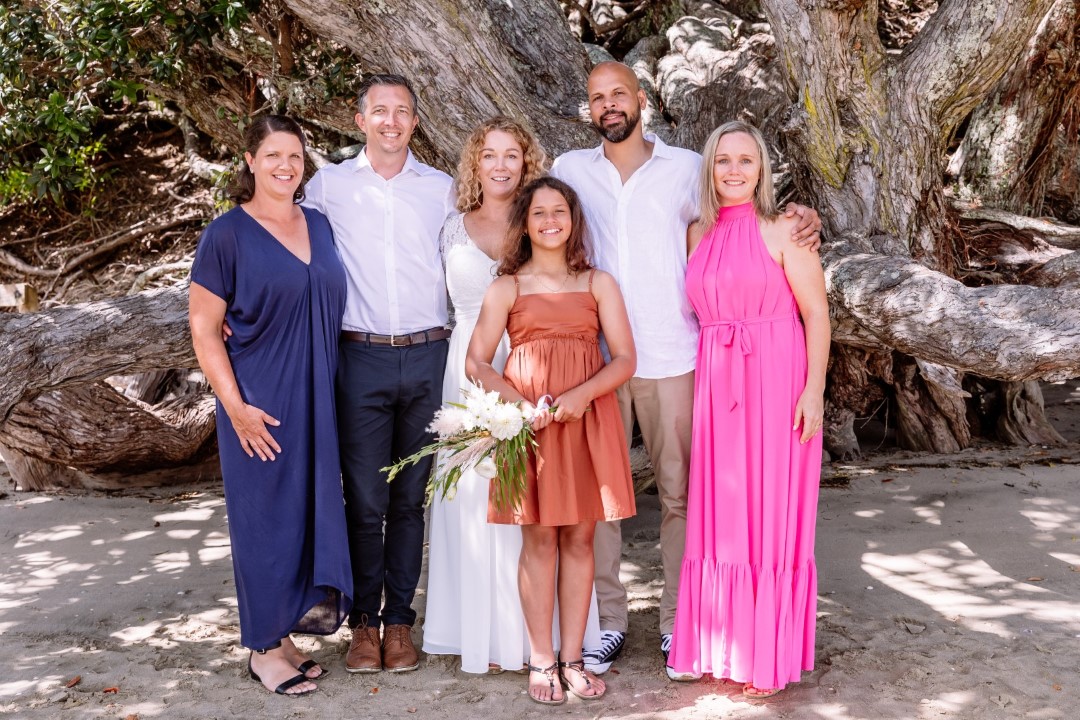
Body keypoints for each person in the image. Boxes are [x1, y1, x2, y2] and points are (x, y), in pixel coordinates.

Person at [551, 60, 822, 674]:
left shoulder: (685, 169)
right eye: (597, 97)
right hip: (597, 361)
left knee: (682, 497)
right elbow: (537, 224)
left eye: (619, 93)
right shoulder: (569, 171)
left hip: (675, 356)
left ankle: (681, 622)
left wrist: (804, 217)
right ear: (589, 108)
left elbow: (746, 210)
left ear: (641, 99)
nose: (609, 104)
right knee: (599, 501)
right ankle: (608, 622)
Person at [422, 118, 601, 673]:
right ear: (474, 164)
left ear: (527, 163)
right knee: (474, 499)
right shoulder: (450, 227)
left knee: (538, 501)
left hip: (537, 368)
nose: (500, 165)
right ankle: (484, 636)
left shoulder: (539, 223)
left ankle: (541, 641)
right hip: (471, 367)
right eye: (489, 155)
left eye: (512, 155)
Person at [188, 115, 352, 696]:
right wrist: (235, 408)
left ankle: (284, 638)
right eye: (274, 155)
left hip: (319, 399)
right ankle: (262, 649)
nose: (286, 166)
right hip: (260, 405)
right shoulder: (226, 235)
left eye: (295, 157)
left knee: (306, 516)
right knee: (265, 523)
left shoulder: (320, 225)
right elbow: (204, 330)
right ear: (250, 161)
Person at [667, 121, 829, 697]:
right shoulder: (696, 233)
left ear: (762, 170)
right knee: (721, 513)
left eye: (746, 160)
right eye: (723, 160)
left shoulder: (784, 229)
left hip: (777, 381)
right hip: (718, 386)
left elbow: (816, 314)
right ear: (709, 169)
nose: (734, 170)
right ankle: (721, 644)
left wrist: (814, 391)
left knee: (770, 512)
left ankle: (767, 655)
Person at [302, 74, 454, 674]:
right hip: (359, 357)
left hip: (429, 354)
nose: (392, 121)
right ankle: (363, 623)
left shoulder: (441, 189)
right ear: (359, 120)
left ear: (415, 122)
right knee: (365, 499)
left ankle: (399, 624)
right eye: (380, 111)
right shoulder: (328, 187)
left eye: (403, 111)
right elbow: (291, 250)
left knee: (411, 500)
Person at [465, 177, 637, 705]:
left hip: (586, 421)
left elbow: (625, 360)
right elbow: (476, 363)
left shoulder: (598, 283)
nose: (549, 221)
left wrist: (582, 396)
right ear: (524, 223)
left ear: (573, 219)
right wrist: (518, 408)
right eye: (538, 212)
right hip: (530, 428)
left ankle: (573, 658)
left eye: (558, 211)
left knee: (580, 540)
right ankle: (542, 658)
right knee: (538, 539)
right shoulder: (507, 288)